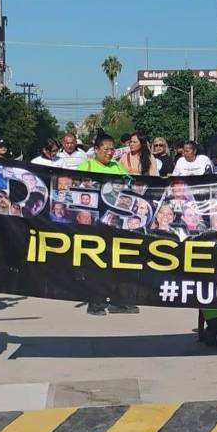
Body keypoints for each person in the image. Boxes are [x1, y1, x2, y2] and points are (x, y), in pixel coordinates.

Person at [77, 135, 134, 315]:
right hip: (94, 225)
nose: (110, 153)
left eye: (112, 149)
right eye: (106, 149)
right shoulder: (85, 167)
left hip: (115, 223)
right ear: (96, 149)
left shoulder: (117, 166)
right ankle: (95, 302)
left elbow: (129, 187)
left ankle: (116, 301)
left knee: (117, 261)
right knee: (95, 263)